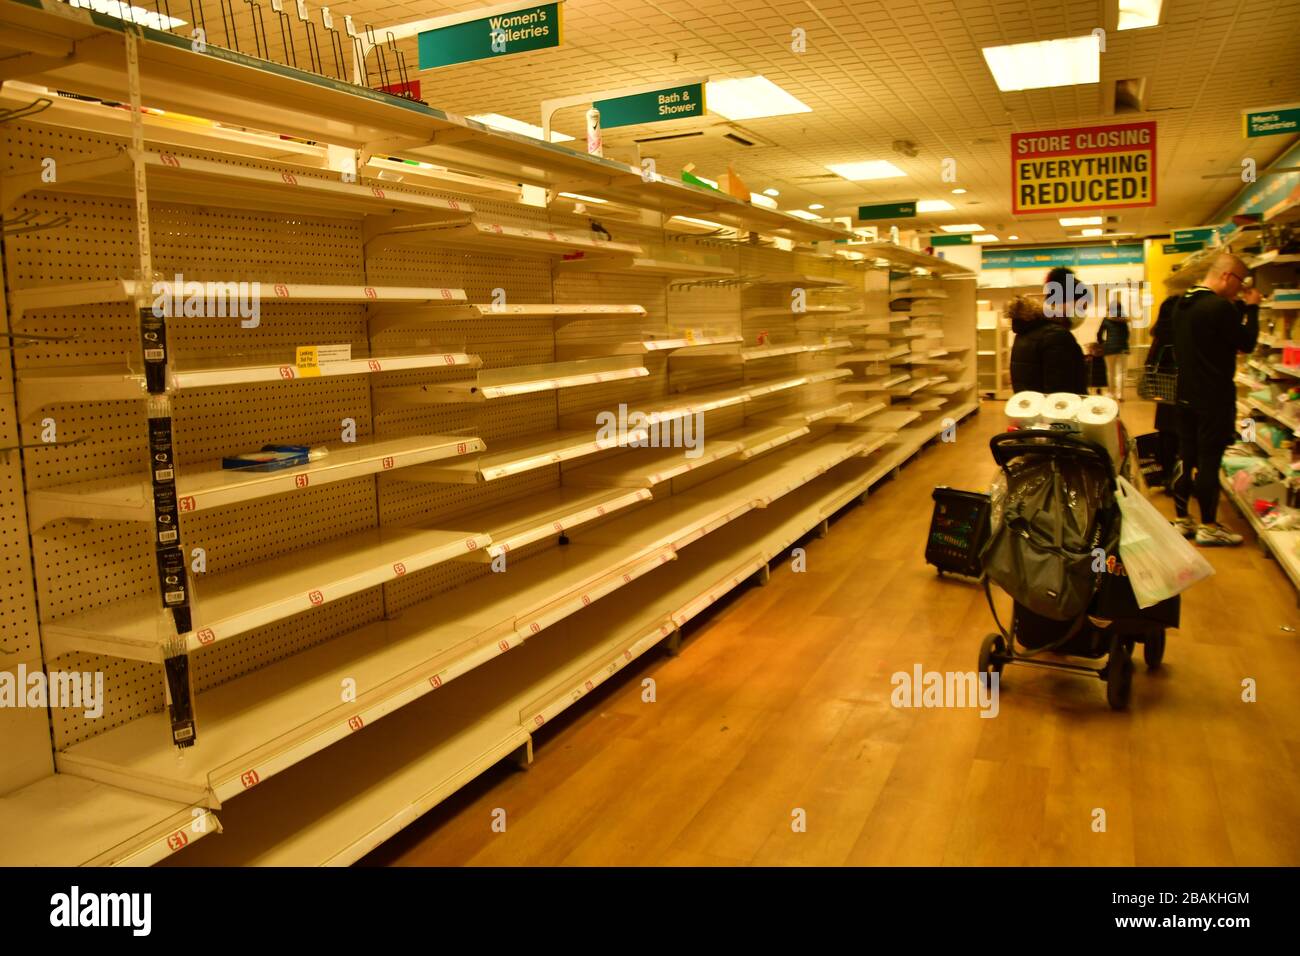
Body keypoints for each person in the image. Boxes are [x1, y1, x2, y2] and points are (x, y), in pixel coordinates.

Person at [1171, 252, 1261, 546]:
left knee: (1186, 456)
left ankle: (1183, 518)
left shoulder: (1183, 305)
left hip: (1184, 393)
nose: (1240, 288)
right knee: (1210, 460)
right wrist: (1252, 309)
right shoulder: (1220, 307)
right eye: (1240, 281)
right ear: (1226, 276)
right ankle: (1209, 526)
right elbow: (1246, 343)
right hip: (1214, 397)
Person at [1008, 266, 1088, 394]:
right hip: (1052, 411)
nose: (1083, 312)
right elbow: (1061, 395)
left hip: (1032, 409)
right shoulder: (1057, 336)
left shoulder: (1029, 329)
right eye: (1082, 306)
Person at [1146, 293, 1181, 490]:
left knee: (1167, 434)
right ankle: (1179, 478)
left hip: (1164, 391)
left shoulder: (1160, 334)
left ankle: (1167, 476)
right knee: (1183, 437)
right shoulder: (1184, 334)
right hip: (1184, 391)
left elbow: (1149, 363)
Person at [1097, 296, 1131, 401]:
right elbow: (1127, 334)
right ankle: (1120, 395)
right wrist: (1123, 342)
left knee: (1110, 372)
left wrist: (1103, 343)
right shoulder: (1124, 320)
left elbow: (1099, 333)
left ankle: (1111, 393)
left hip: (1110, 348)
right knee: (1121, 372)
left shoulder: (1106, 319)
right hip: (1123, 348)